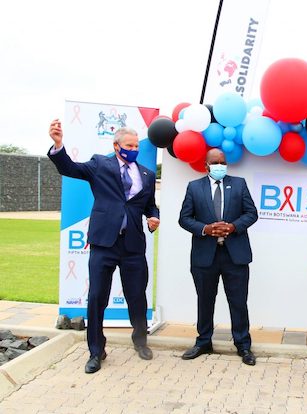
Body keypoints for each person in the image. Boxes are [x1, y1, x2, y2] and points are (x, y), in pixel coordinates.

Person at [48, 120, 160, 374]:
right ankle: (96, 351)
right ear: (116, 146)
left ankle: (140, 341)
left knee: (137, 296)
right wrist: (58, 145)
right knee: (97, 296)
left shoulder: (146, 175)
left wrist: (154, 216)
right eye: (128, 145)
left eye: (136, 145)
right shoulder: (100, 164)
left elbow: (149, 205)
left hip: (133, 245)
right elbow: (70, 168)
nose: (133, 149)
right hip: (104, 243)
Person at [179, 148, 258, 366]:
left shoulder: (239, 184)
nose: (220, 165)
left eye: (223, 162)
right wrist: (206, 228)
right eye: (215, 162)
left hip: (235, 255)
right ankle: (203, 341)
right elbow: (184, 219)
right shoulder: (194, 187)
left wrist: (233, 227)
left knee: (238, 302)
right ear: (206, 165)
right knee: (205, 301)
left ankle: (243, 345)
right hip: (205, 257)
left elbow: (251, 214)